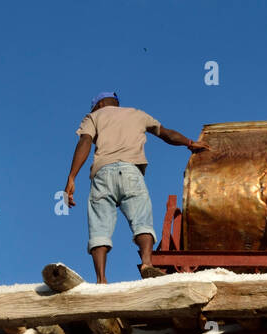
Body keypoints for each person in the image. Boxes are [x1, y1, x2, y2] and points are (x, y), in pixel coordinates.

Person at [64, 92, 205, 283]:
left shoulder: (93, 117)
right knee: (142, 220)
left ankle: (101, 279)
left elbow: (85, 141)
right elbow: (167, 134)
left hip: (102, 174)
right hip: (131, 172)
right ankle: (147, 264)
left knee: (99, 227)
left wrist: (71, 178)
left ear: (99, 105)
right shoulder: (137, 114)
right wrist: (190, 143)